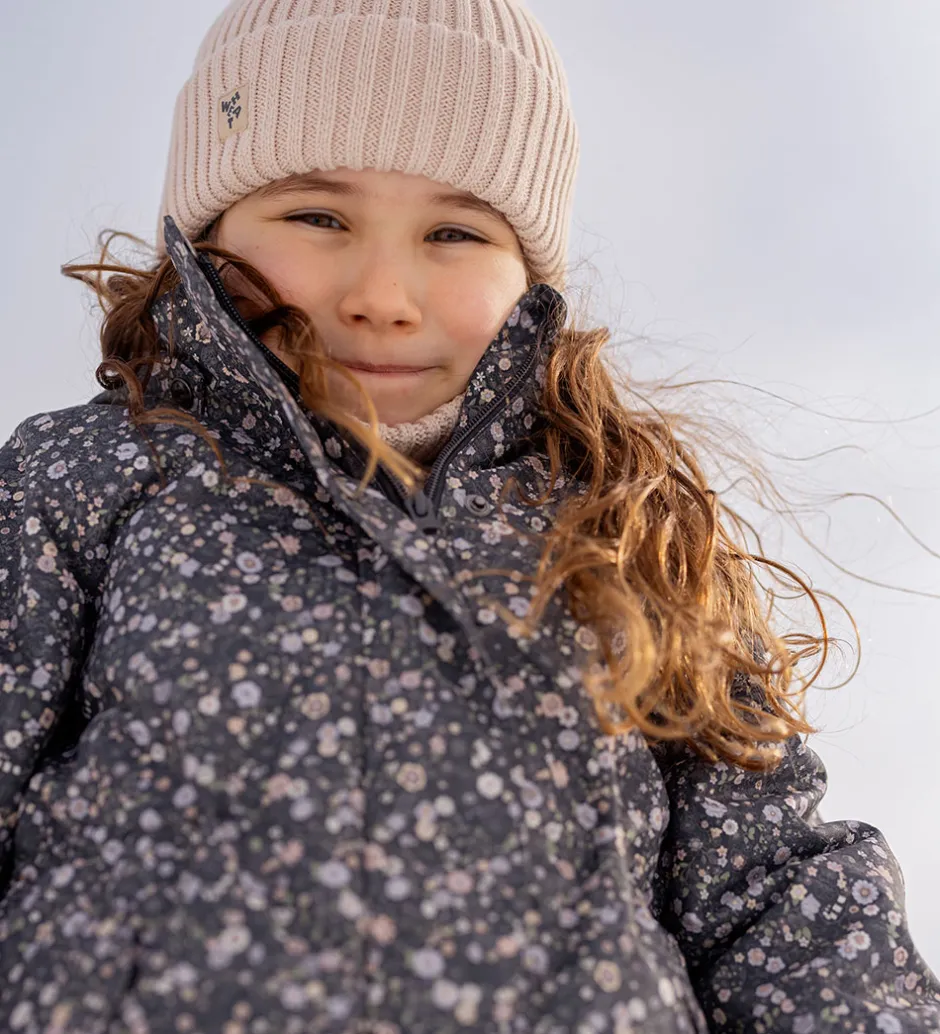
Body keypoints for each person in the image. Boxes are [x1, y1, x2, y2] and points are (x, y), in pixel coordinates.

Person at [1, 0, 937, 1030]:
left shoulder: (621, 528)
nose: (383, 293)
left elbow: (773, 894)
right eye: (318, 217)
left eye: (454, 232)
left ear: (527, 274)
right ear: (210, 229)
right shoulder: (89, 476)